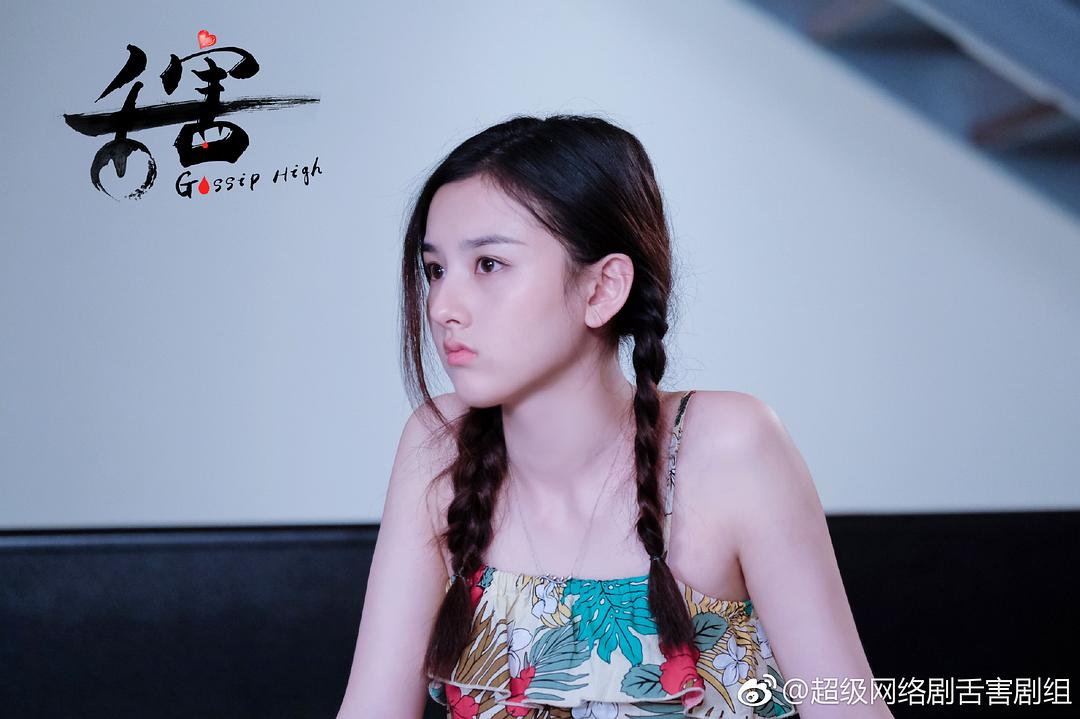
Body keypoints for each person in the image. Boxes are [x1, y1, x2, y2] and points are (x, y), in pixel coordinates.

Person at [336, 115, 893, 719]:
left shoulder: (727, 446)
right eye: (435, 269)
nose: (443, 305)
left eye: (489, 264)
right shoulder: (439, 443)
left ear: (603, 288)